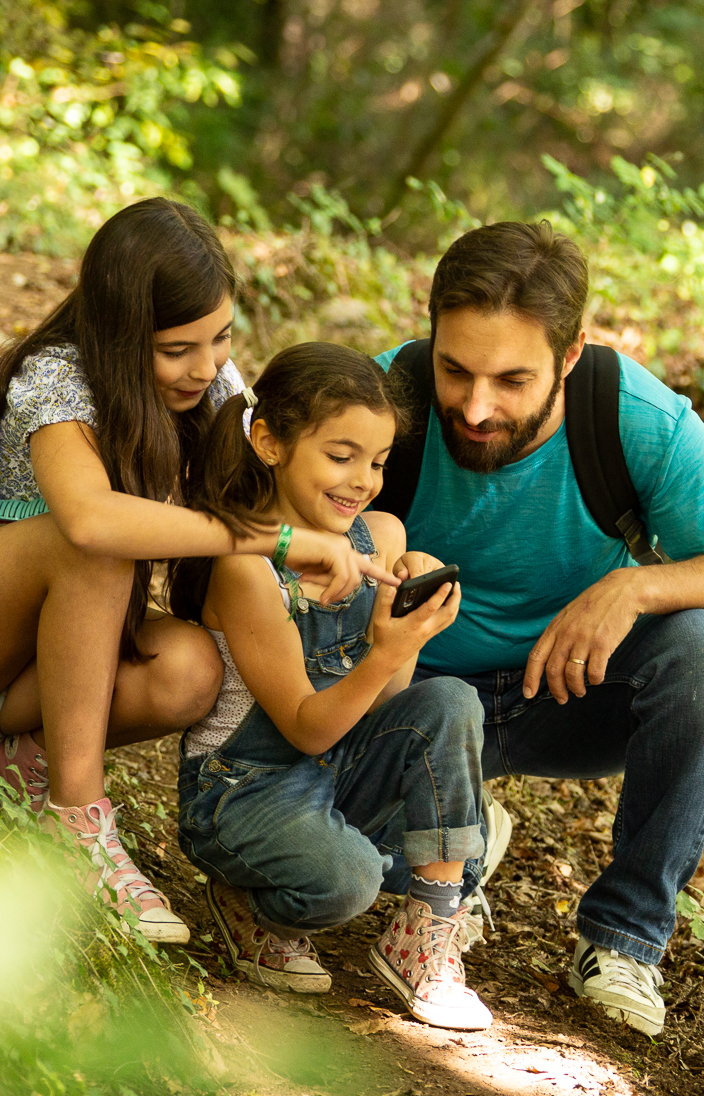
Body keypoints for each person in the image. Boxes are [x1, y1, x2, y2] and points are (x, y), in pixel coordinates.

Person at [0, 199, 392, 945]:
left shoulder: (212, 386)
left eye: (221, 338)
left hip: (32, 663)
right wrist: (276, 540)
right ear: (121, 332)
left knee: (189, 669)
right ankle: (76, 823)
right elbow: (93, 520)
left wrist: (376, 544)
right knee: (96, 541)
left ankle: (23, 748)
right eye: (177, 349)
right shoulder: (56, 380)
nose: (207, 366)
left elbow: (275, 485)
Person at [371, 221, 704, 1036]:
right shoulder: (386, 400)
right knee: (330, 873)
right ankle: (457, 847)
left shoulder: (634, 418)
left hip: (564, 690)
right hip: (410, 701)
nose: (474, 406)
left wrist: (637, 587)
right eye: (455, 368)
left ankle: (625, 939)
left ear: (569, 359)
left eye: (511, 379)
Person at [169, 342, 495, 1031]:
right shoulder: (249, 570)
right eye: (341, 457)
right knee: (348, 882)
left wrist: (402, 630)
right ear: (270, 444)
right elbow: (304, 726)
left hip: (333, 766)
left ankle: (427, 932)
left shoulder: (379, 536)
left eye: (377, 462)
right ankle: (247, 898)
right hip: (244, 787)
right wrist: (384, 651)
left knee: (450, 701)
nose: (363, 482)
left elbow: (386, 704)